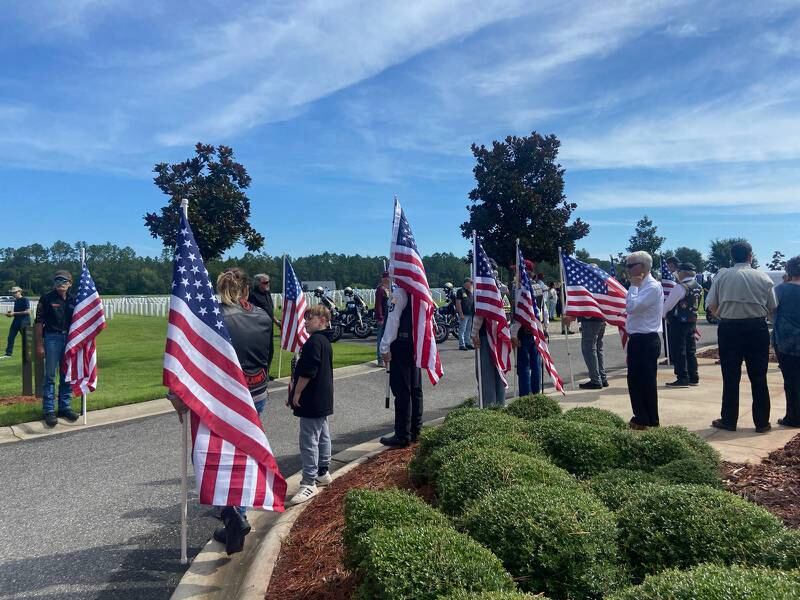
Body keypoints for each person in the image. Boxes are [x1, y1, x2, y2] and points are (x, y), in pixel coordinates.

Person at [210, 267, 273, 552]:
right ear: (247, 289)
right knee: (246, 456)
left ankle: (232, 513)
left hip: (228, 397)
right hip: (257, 392)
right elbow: (268, 356)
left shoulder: (216, 317)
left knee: (220, 458)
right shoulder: (262, 315)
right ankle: (239, 513)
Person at [706, 241, 776, 433]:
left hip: (730, 328)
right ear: (750, 256)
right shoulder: (763, 277)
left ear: (732, 257)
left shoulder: (722, 276)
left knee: (730, 376)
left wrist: (725, 316)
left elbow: (711, 304)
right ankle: (762, 422)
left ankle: (729, 420)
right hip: (756, 328)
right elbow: (772, 307)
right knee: (759, 377)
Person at [287, 304, 335, 505]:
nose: (305, 321)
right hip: (322, 397)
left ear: (322, 321)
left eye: (310, 318)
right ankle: (323, 471)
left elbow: (308, 371)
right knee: (322, 434)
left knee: (309, 439)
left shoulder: (314, 342)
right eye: (306, 318)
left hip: (312, 397)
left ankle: (309, 482)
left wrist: (296, 392)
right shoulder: (324, 341)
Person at [380, 285, 424, 447]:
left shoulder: (399, 293)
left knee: (402, 391)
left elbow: (392, 321)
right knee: (415, 389)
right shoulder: (418, 290)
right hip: (414, 344)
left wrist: (384, 347)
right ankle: (415, 430)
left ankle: (402, 434)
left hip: (400, 345)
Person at [624, 251, 663, 429]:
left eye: (630, 265)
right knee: (636, 380)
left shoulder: (651, 286)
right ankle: (642, 417)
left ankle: (647, 419)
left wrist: (633, 287)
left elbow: (632, 308)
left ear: (642, 267)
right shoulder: (642, 286)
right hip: (638, 339)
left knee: (644, 381)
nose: (627, 269)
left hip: (646, 339)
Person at [35, 271, 79, 427]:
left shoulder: (75, 299)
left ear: (70, 283)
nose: (61, 283)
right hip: (52, 338)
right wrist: (39, 344)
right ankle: (49, 410)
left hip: (70, 339)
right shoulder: (46, 298)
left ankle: (64, 407)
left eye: (64, 280)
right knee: (50, 375)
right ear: (54, 282)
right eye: (57, 280)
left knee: (67, 374)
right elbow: (39, 322)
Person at [662, 262, 702, 387]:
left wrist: (663, 315)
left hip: (679, 322)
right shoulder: (698, 286)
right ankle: (693, 376)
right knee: (690, 350)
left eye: (678, 272)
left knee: (679, 350)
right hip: (691, 321)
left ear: (683, 272)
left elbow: (668, 304)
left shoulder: (681, 287)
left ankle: (682, 377)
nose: (677, 274)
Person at [773, 256, 800, 428]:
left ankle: (793, 416)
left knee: (791, 381)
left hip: (786, 342)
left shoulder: (781, 290)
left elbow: (770, 310)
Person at [510, 260, 541, 396]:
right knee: (535, 364)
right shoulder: (538, 287)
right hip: (536, 328)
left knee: (523, 366)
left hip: (523, 330)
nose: (514, 273)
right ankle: (535, 392)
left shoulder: (520, 288)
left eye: (516, 270)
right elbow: (542, 310)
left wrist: (514, 334)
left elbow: (519, 314)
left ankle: (525, 396)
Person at [250, 274, 280, 378]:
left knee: (270, 351)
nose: (268, 284)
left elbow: (270, 311)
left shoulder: (267, 294)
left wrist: (277, 322)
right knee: (260, 353)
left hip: (269, 328)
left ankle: (266, 374)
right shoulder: (252, 295)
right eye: (265, 282)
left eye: (269, 282)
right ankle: (259, 375)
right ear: (258, 283)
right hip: (258, 329)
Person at [3, 286, 31, 358]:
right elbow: (17, 312)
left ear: (20, 292)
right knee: (10, 337)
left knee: (27, 339)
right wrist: (11, 313)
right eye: (12, 293)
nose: (14, 294)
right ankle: (8, 354)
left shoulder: (25, 299)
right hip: (16, 321)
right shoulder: (16, 301)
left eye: (15, 292)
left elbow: (28, 311)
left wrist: (14, 313)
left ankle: (30, 354)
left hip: (24, 321)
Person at [374, 272, 391, 367]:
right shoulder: (381, 289)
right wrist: (380, 317)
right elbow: (378, 305)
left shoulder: (389, 289)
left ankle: (386, 358)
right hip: (383, 317)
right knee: (380, 339)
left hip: (389, 317)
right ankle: (380, 359)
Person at [456, 278, 475, 351]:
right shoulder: (460, 291)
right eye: (470, 282)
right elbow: (458, 303)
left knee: (468, 330)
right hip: (464, 313)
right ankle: (462, 344)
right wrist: (460, 313)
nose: (471, 284)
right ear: (466, 283)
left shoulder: (470, 291)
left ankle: (468, 343)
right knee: (462, 329)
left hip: (470, 314)